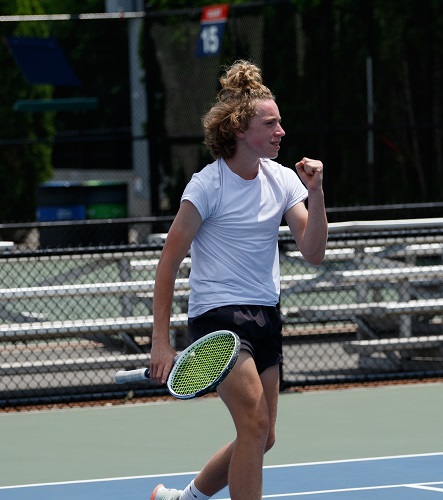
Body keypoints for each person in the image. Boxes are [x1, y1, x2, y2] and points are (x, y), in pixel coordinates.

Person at [149, 60, 328, 500]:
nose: (281, 131)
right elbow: (168, 263)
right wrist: (160, 342)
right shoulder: (206, 186)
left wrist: (317, 193)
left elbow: (314, 251)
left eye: (279, 122)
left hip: (265, 313)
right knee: (254, 423)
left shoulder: (283, 180)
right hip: (218, 317)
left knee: (263, 436)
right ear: (239, 130)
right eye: (270, 124)